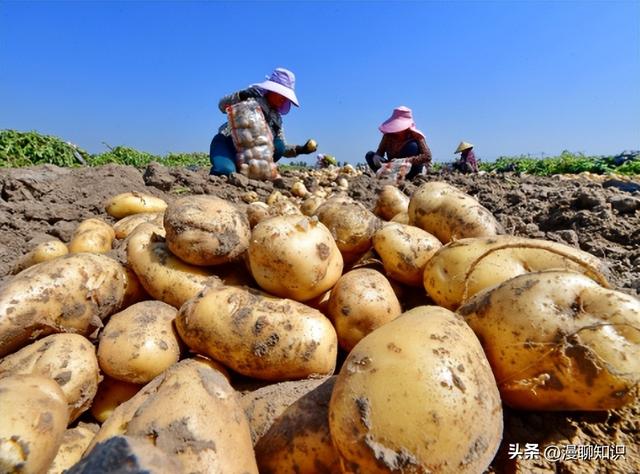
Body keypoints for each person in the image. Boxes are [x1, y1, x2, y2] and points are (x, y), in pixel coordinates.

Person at [209, 67, 316, 176]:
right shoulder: (251, 98)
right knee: (225, 170)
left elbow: (282, 148)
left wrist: (301, 149)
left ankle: (245, 170)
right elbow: (222, 106)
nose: (284, 99)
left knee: (278, 145)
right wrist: (241, 95)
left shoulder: (277, 119)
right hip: (227, 143)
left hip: (249, 156)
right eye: (282, 94)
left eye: (286, 96)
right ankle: (226, 167)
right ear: (272, 90)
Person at [365, 106, 432, 179]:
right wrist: (377, 156)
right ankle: (384, 176)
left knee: (412, 146)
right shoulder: (388, 136)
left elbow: (427, 156)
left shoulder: (416, 136)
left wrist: (405, 160)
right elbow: (380, 151)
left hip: (411, 169)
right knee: (370, 155)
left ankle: (411, 176)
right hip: (392, 168)